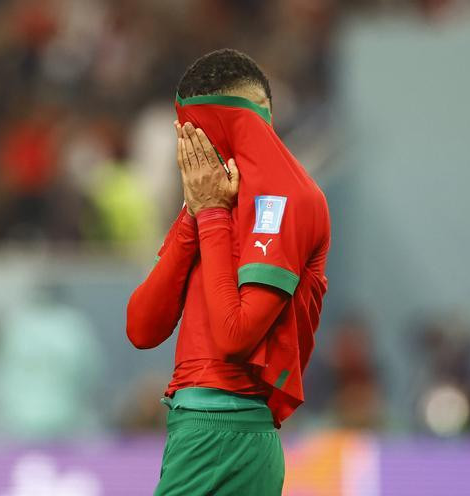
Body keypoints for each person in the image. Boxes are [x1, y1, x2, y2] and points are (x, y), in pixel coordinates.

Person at [126, 49, 331, 495]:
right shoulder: (211, 201)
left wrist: (212, 214)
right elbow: (141, 328)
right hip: (198, 427)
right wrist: (193, 214)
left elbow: (234, 334)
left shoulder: (287, 201)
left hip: (225, 431)